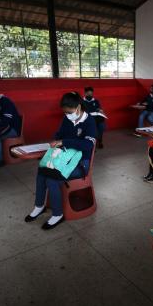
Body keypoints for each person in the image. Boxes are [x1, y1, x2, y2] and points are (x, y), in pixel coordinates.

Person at [24, 92, 97, 230]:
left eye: (69, 112)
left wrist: (64, 141)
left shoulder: (90, 121)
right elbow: (59, 134)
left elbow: (88, 145)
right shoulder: (66, 119)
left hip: (81, 162)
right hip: (63, 157)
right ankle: (39, 206)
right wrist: (56, 139)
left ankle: (57, 214)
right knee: (42, 173)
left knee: (52, 179)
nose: (67, 115)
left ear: (78, 107)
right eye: (65, 112)